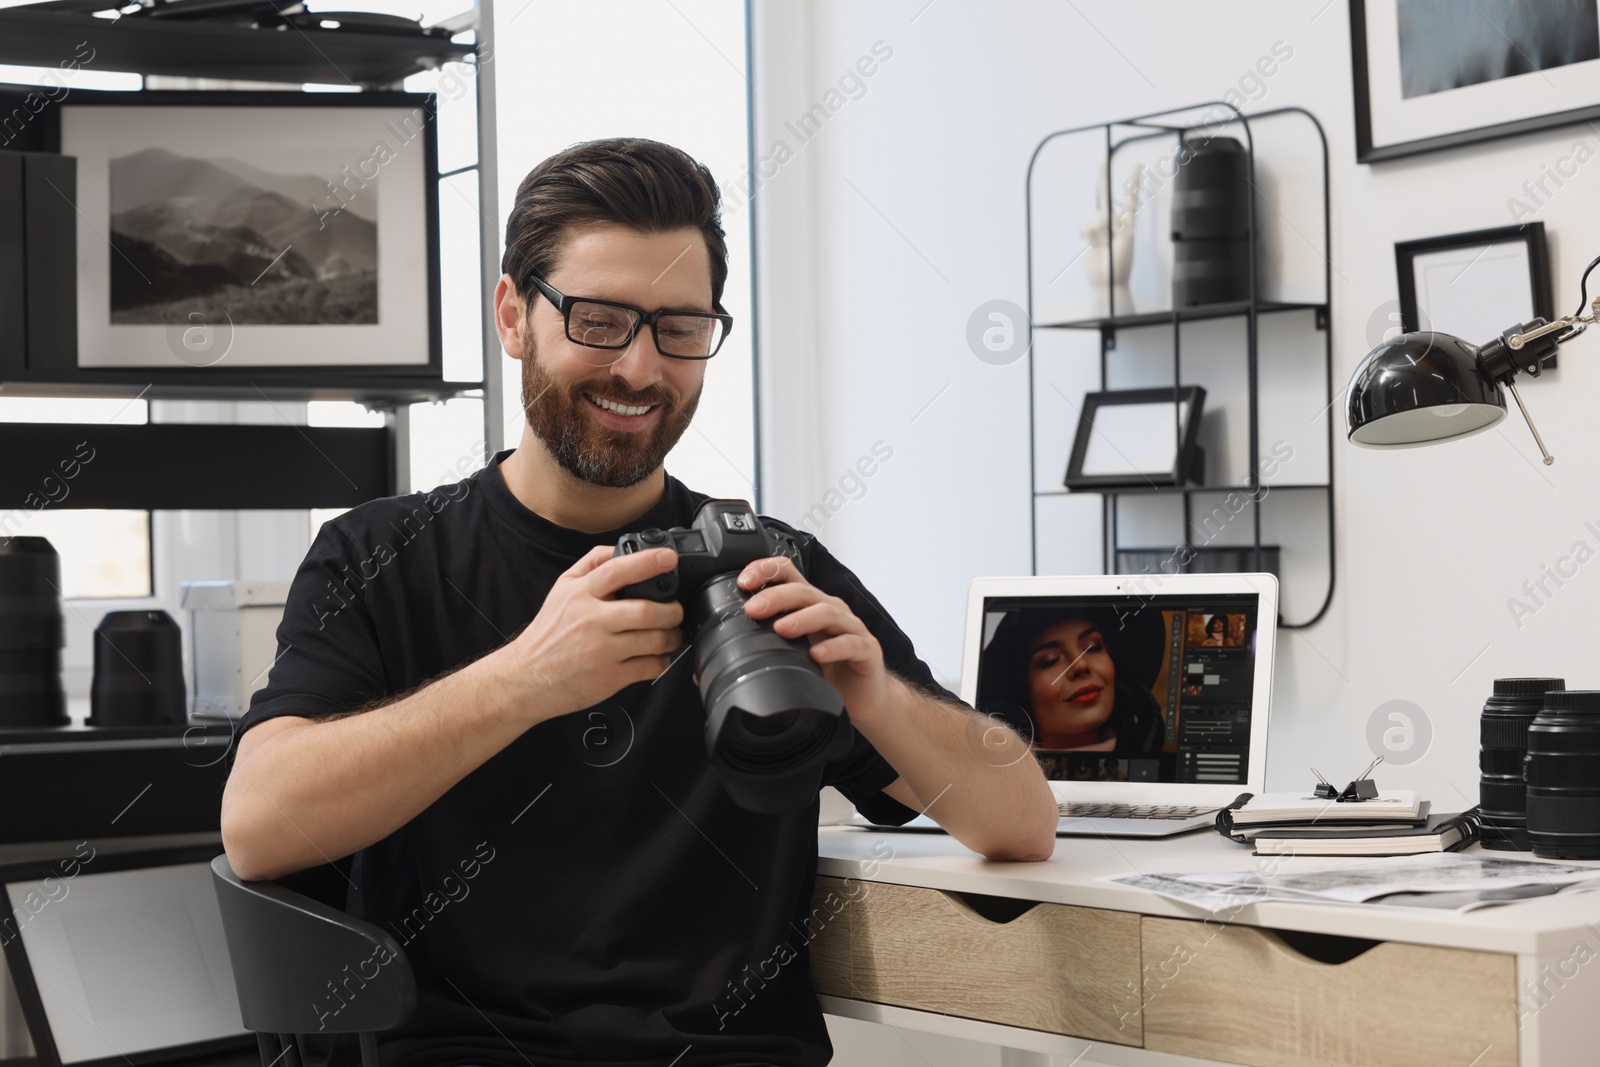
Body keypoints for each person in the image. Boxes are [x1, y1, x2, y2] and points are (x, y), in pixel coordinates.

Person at [219, 137, 1057, 1067]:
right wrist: (529, 678)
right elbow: (259, 825)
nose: (641, 370)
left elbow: (1019, 819)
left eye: (680, 328)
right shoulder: (381, 555)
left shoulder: (771, 567)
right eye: (601, 320)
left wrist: (876, 697)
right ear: (513, 314)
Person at [977, 606, 1165, 755]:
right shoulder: (1000, 777)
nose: (1080, 665)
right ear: (1024, 695)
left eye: (1092, 647)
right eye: (1050, 660)